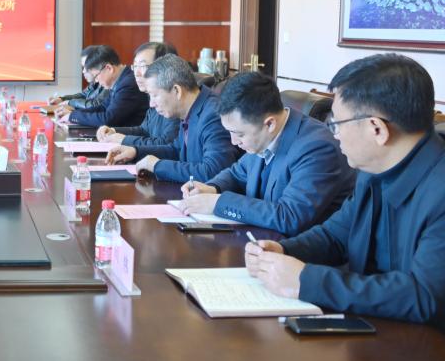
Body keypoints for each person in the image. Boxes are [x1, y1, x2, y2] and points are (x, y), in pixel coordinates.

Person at [246, 54, 445, 327]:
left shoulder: (439, 192)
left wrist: (307, 281)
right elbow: (336, 236)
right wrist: (283, 250)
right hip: (371, 327)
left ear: (376, 129)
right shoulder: (372, 169)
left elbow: (425, 296)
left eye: (336, 124)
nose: (334, 134)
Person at [178, 72, 355, 235]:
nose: (233, 141)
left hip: (299, 251)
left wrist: (218, 203)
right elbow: (237, 173)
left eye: (239, 134)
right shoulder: (264, 135)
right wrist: (212, 188)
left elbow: (289, 217)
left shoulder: (317, 148)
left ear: (269, 124)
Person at [106, 54, 238, 182]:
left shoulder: (213, 115)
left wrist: (157, 166)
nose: (151, 104)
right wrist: (135, 151)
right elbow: (176, 150)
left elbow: (214, 172)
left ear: (177, 90)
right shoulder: (191, 108)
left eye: (154, 95)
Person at [96, 42, 180, 147]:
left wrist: (124, 139)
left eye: (143, 66)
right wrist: (114, 131)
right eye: (135, 66)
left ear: (164, 67)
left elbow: (166, 144)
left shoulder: (172, 99)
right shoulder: (152, 97)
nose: (136, 73)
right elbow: (144, 130)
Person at [57, 45, 148, 128]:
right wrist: (73, 114)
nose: (96, 80)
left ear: (109, 68)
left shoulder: (128, 84)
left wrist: (73, 116)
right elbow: (103, 107)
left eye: (96, 76)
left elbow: (108, 119)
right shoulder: (120, 79)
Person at [47, 45, 110, 114]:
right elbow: (83, 95)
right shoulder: (95, 82)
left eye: (86, 67)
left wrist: (70, 103)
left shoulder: (107, 83)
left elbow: (95, 105)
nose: (83, 71)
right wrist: (62, 99)